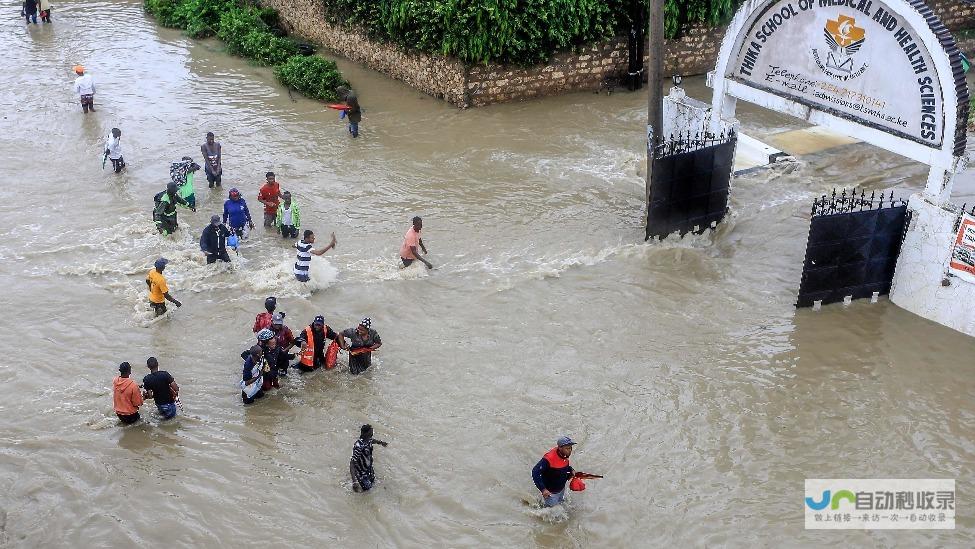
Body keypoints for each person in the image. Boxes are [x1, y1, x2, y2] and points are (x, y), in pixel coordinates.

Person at [532, 436, 577, 507]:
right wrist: (543, 490)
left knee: (561, 506)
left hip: (561, 490)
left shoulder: (564, 455)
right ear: (560, 448)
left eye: (571, 448)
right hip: (550, 493)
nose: (570, 450)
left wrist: (571, 470)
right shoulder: (549, 459)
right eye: (567, 448)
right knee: (552, 514)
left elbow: (563, 465)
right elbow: (535, 472)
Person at [350, 424, 388, 492]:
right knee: (367, 492)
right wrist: (354, 481)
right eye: (371, 432)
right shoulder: (359, 446)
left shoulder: (368, 440)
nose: (372, 433)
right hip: (361, 474)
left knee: (374, 485)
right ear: (365, 433)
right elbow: (352, 463)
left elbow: (373, 440)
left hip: (369, 470)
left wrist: (381, 442)